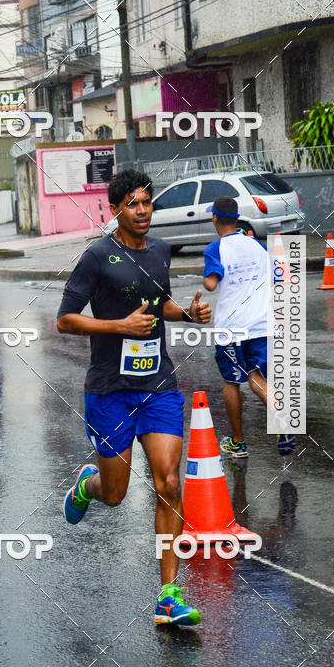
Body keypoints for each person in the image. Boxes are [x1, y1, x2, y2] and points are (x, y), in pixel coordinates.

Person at [57, 169, 212, 627]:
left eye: (147, 203)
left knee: (168, 483)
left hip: (158, 384)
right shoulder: (98, 257)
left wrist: (187, 313)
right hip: (110, 390)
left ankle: (168, 595)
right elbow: (65, 320)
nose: (143, 211)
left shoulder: (161, 251)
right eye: (134, 204)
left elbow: (158, 303)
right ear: (115, 209)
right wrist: (118, 326)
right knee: (117, 493)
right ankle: (88, 485)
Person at [202, 195, 295, 458]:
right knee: (257, 377)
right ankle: (281, 418)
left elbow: (210, 283)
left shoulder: (214, 248)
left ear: (215, 218)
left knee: (231, 381)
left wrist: (208, 277)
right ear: (236, 218)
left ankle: (239, 442)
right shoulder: (256, 244)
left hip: (232, 326)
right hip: (261, 323)